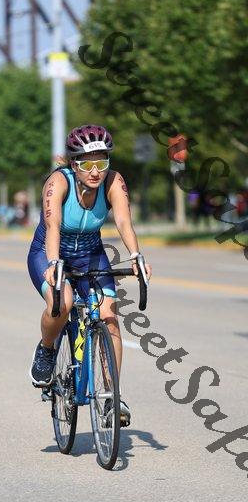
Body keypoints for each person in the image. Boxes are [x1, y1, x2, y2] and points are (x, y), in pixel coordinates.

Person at [27, 124, 152, 425]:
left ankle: (111, 398)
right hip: (48, 251)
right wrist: (54, 264)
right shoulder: (59, 182)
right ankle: (46, 350)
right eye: (86, 165)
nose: (95, 172)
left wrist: (136, 256)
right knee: (63, 303)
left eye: (102, 162)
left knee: (109, 317)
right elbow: (53, 226)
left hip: (90, 254)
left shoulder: (113, 181)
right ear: (74, 164)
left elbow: (123, 221)